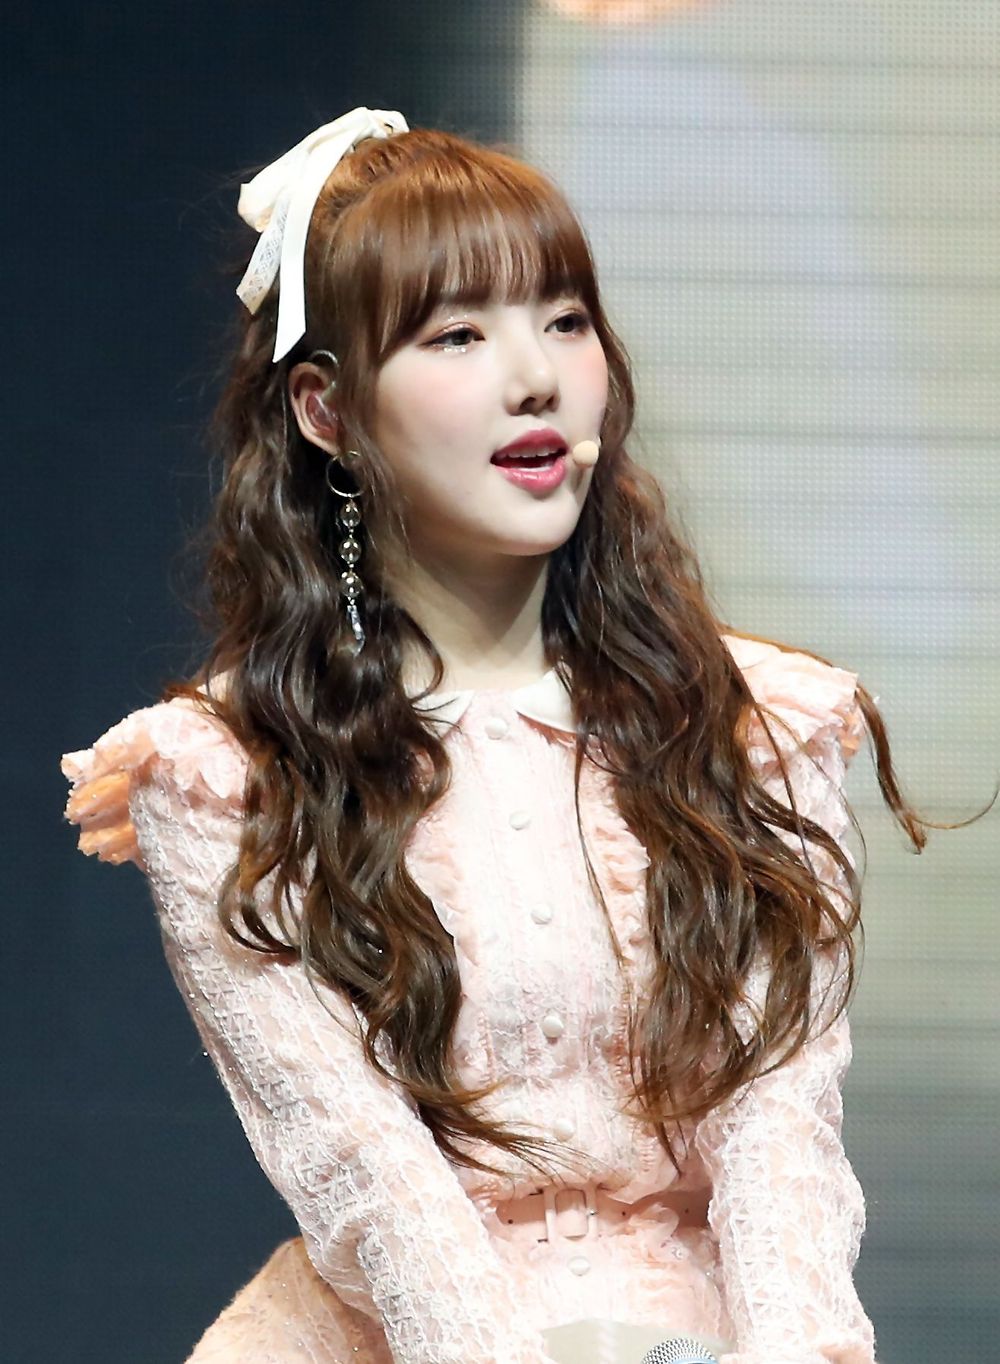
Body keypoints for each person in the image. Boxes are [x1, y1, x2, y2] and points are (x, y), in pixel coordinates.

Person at [61, 106, 943, 1364]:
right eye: (458, 334)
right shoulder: (229, 771)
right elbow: (360, 1163)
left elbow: (779, 1124)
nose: (534, 375)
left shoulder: (752, 723)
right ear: (325, 409)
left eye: (564, 320)